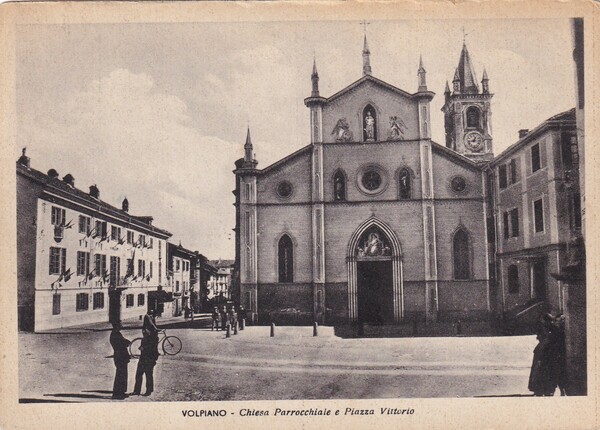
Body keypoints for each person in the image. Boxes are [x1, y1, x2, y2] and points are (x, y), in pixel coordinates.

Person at [528, 313, 558, 396]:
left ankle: (540, 388)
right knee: (544, 370)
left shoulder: (547, 328)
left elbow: (540, 337)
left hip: (543, 350)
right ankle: (545, 388)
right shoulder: (550, 328)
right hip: (544, 350)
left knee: (540, 369)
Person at [132, 327, 160, 396]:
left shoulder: (153, 339)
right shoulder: (144, 338)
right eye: (143, 331)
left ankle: (149, 390)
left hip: (149, 360)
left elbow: (152, 349)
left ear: (149, 331)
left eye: (145, 331)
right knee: (139, 375)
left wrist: (143, 348)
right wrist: (142, 348)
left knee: (148, 375)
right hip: (143, 359)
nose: (143, 332)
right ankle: (137, 390)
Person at [109, 322, 131, 400]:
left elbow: (123, 341)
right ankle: (118, 393)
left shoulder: (116, 333)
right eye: (120, 325)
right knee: (121, 375)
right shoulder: (116, 334)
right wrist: (127, 342)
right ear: (117, 326)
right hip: (120, 356)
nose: (121, 326)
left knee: (122, 374)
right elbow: (122, 343)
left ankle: (121, 392)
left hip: (120, 356)